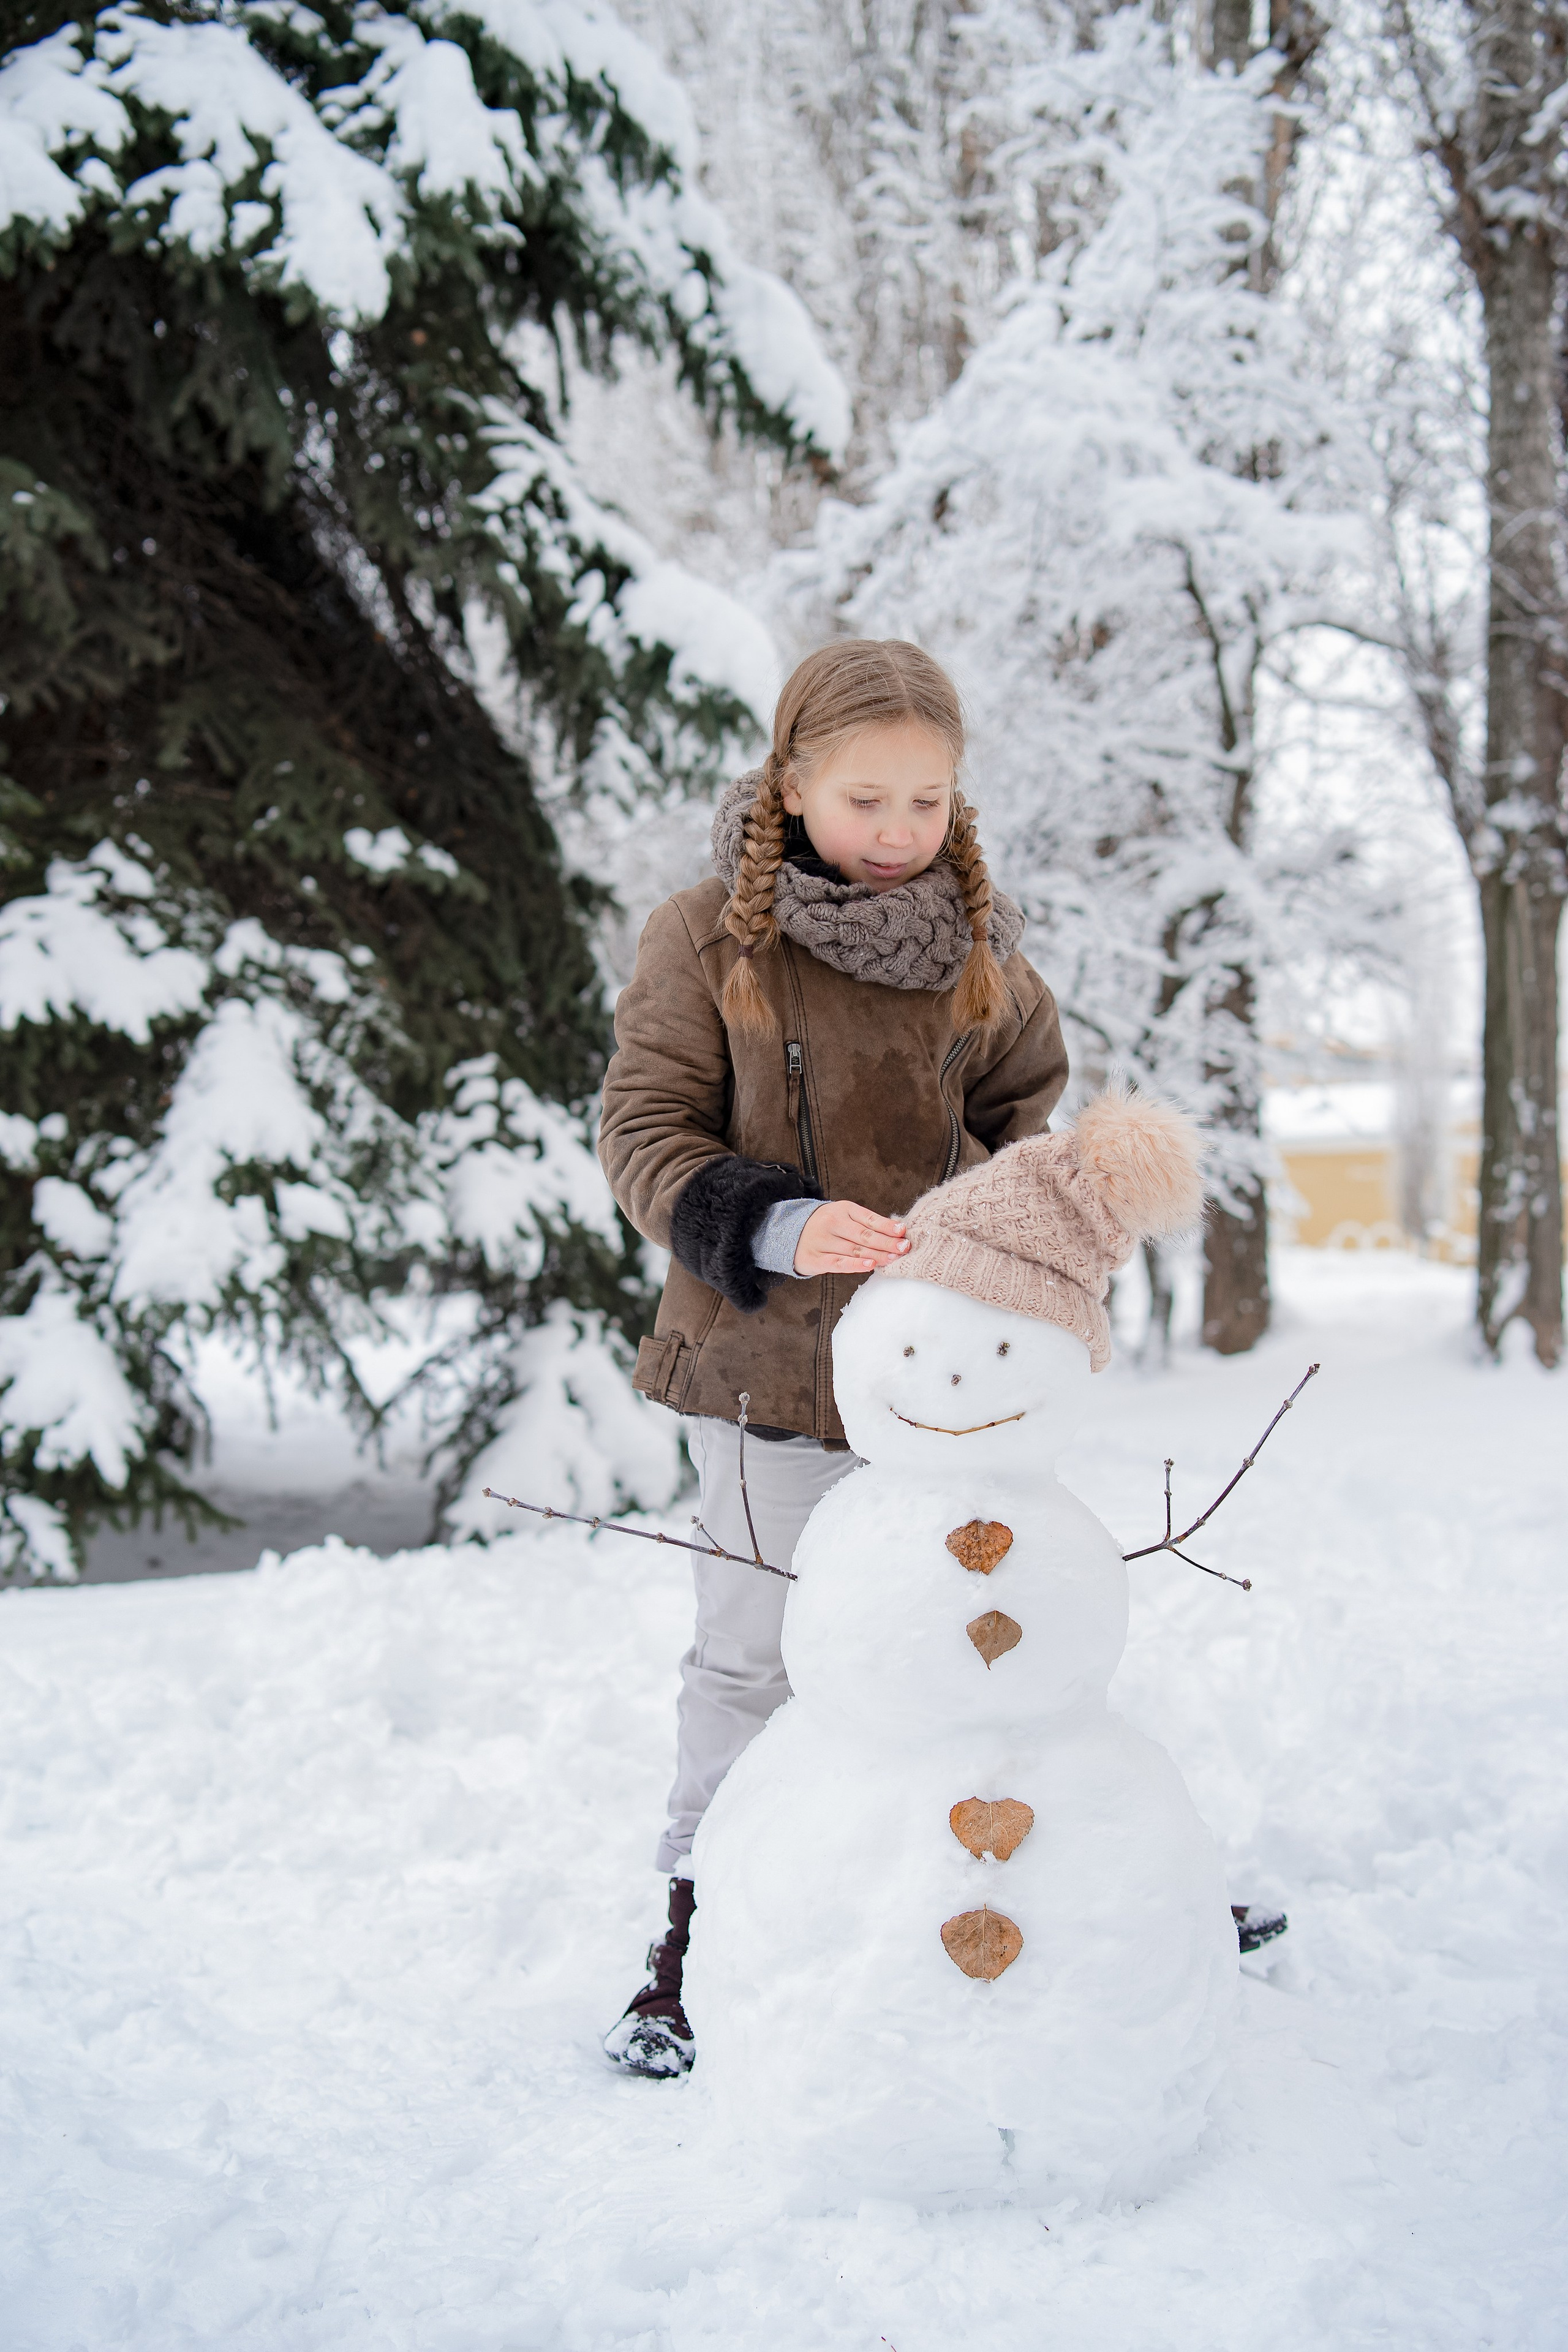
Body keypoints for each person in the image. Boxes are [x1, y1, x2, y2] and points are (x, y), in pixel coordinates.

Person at [595, 640, 1283, 2078]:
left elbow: (1028, 1127)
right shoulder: (702, 941)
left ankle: (1114, 1892)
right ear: (790, 786)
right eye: (863, 801)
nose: (896, 833)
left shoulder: (979, 951)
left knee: (1002, 1633)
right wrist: (774, 1224)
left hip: (950, 1387)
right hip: (767, 1373)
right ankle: (693, 1929)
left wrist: (1015, 1226)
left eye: (925, 801)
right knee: (755, 1657)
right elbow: (644, 1136)